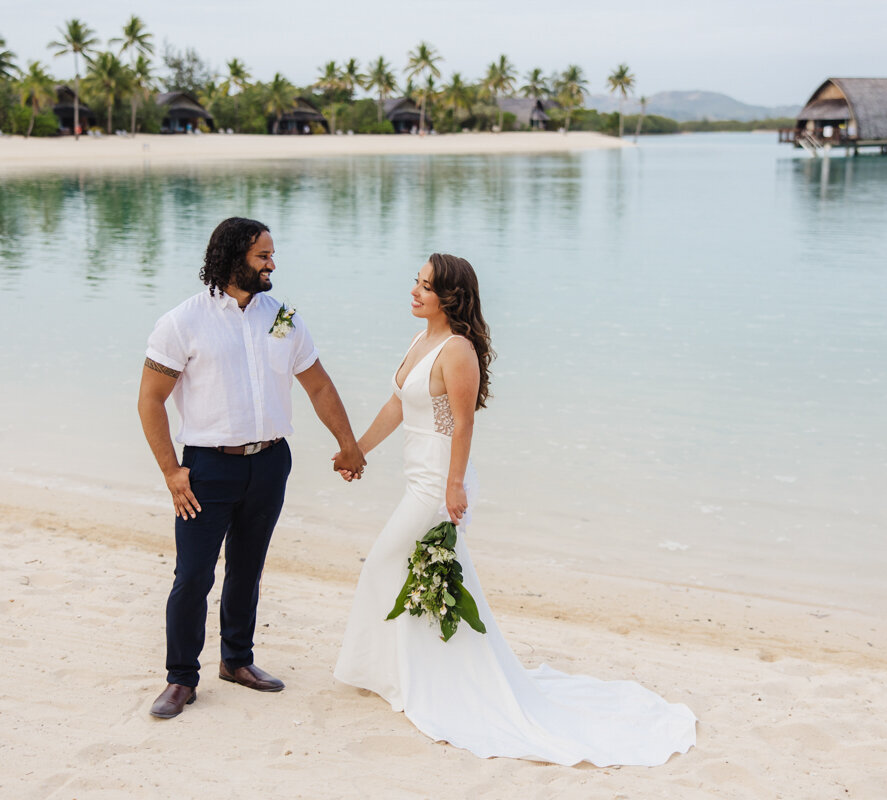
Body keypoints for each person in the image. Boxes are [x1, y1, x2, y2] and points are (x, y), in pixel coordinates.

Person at [333, 253, 697, 766]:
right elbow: (397, 405)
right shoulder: (421, 340)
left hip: (439, 483)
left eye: (427, 286)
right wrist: (357, 450)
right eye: (415, 282)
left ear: (450, 297)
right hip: (418, 477)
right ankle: (409, 674)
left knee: (389, 566)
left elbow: (462, 424)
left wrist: (455, 486)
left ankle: (432, 680)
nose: (415, 292)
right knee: (408, 574)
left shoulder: (457, 350)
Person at [140, 216, 366, 719]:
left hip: (270, 464)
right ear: (233, 258)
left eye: (272, 254)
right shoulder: (182, 322)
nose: (272, 264)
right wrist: (172, 472)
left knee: (248, 569)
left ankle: (237, 661)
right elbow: (150, 401)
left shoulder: (283, 317)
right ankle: (181, 679)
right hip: (205, 470)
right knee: (193, 576)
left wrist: (347, 444)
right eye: (263, 256)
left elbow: (319, 385)